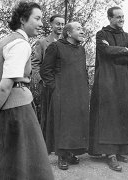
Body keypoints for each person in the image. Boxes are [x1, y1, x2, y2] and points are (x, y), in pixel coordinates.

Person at [0, 2, 54, 179]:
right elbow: (4, 86)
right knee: (23, 165)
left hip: (2, 109)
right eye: (37, 18)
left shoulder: (4, 41)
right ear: (22, 19)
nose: (42, 24)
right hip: (17, 111)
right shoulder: (20, 44)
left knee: (5, 165)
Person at [89, 6, 128, 172]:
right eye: (118, 17)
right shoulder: (101, 34)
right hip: (106, 79)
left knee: (121, 112)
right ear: (110, 18)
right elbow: (104, 51)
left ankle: (119, 151)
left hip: (123, 80)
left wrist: (118, 52)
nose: (121, 20)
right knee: (108, 114)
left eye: (122, 17)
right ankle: (109, 153)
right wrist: (123, 50)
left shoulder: (127, 36)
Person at [40, 22, 89, 170]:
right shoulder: (55, 47)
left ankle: (70, 153)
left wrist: (85, 86)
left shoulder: (81, 49)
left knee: (75, 122)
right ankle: (61, 155)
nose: (82, 31)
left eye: (82, 28)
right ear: (68, 33)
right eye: (78, 29)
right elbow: (45, 71)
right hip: (62, 92)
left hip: (79, 92)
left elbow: (83, 70)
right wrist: (55, 88)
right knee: (63, 123)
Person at [31, 14, 64, 135]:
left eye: (62, 24)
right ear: (51, 25)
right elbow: (35, 63)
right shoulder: (43, 42)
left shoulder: (66, 42)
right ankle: (45, 145)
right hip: (47, 84)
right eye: (57, 24)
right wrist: (41, 80)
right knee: (47, 113)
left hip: (63, 84)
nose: (60, 26)